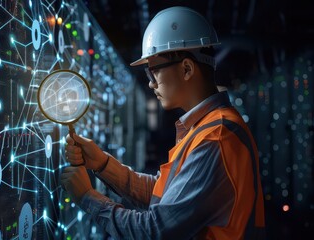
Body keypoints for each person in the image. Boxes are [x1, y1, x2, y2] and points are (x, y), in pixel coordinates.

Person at [61, 6, 265, 239]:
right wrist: (103, 164)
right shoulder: (206, 127)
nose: (150, 83)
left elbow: (154, 231)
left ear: (187, 68)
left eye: (153, 72)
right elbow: (166, 196)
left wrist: (87, 197)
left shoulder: (216, 137)